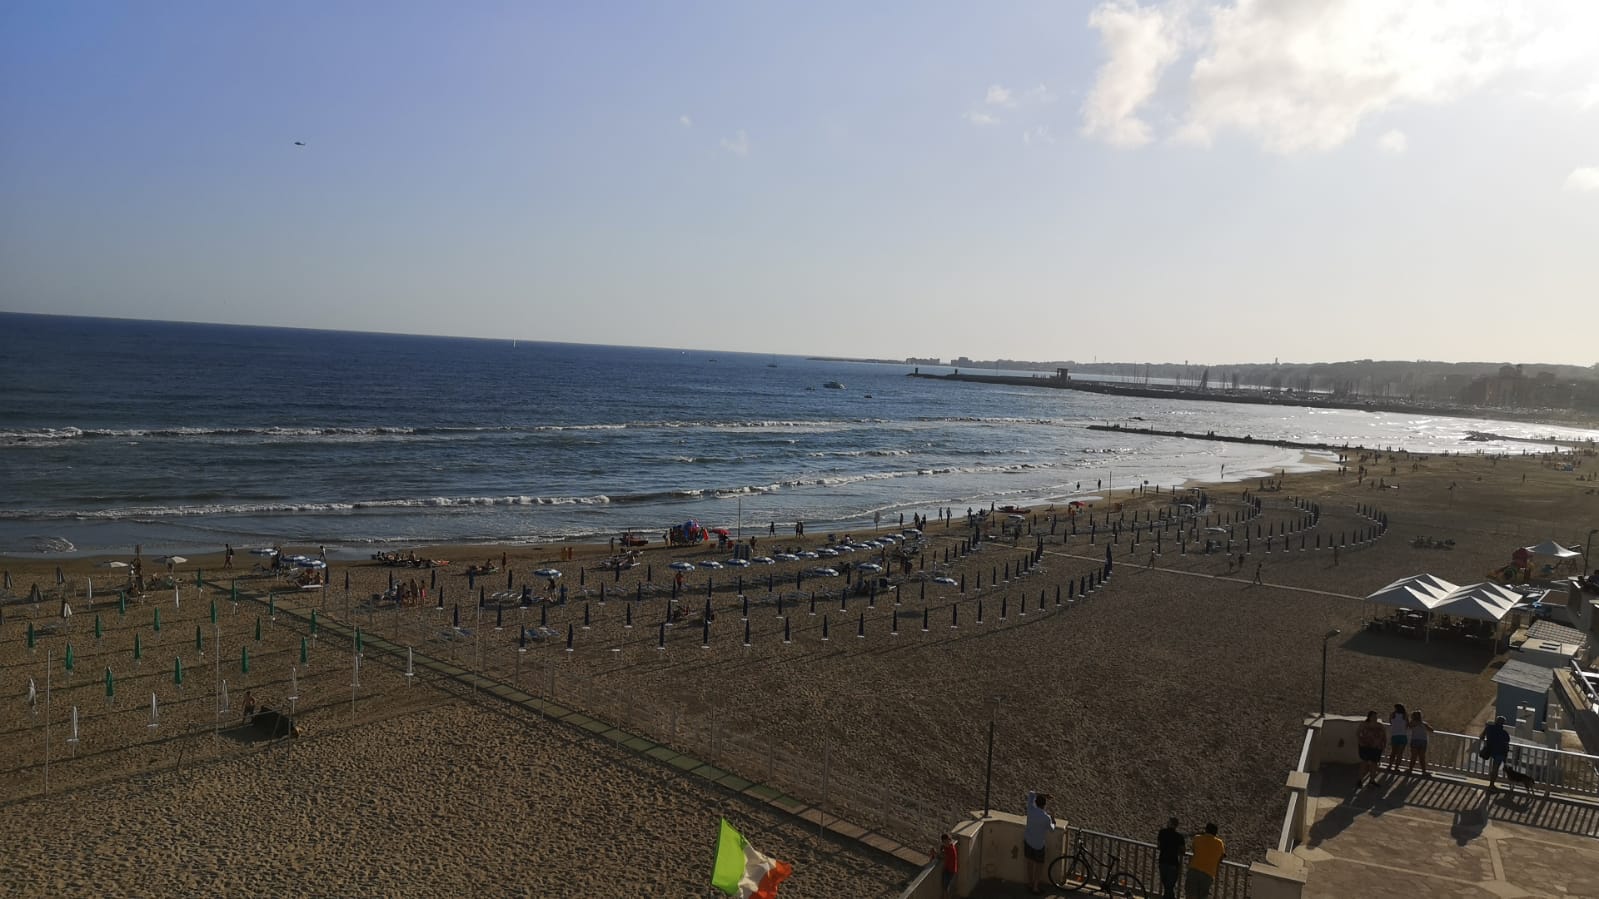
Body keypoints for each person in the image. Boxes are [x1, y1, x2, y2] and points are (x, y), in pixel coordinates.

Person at [1023, 791, 1053, 894]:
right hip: (1038, 845)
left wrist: (1045, 795)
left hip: (1028, 841)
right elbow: (1051, 829)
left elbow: (1031, 793)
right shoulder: (1046, 817)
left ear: (1035, 802)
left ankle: (1030, 883)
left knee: (1029, 863)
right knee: (1039, 866)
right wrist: (1053, 822)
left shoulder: (1031, 809)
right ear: (1044, 805)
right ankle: (1035, 887)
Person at [1185, 823, 1224, 899]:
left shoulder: (1197, 838)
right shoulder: (1219, 843)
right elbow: (1221, 857)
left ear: (1206, 830)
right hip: (1208, 873)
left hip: (1194, 870)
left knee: (1190, 895)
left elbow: (1194, 850)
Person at [1356, 710, 1386, 788]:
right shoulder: (1364, 724)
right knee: (1364, 763)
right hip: (1365, 746)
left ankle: (1372, 780)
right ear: (1369, 717)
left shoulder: (1379, 725)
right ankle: (1360, 780)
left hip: (1376, 747)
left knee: (1374, 764)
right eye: (1373, 716)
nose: (1375, 718)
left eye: (1376, 716)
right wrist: (1360, 742)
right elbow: (1358, 733)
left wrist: (1383, 745)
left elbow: (1384, 735)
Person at [1157, 817, 1185, 899]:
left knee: (1166, 886)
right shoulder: (1179, 836)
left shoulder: (1162, 832)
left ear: (1170, 823)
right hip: (1173, 862)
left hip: (1163, 861)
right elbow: (1183, 850)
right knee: (1169, 886)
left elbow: (1159, 846)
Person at [1481, 715, 1512, 788]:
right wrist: (1505, 758)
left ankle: (1491, 784)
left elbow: (1481, 736)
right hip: (1500, 752)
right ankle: (1491, 784)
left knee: (1494, 769)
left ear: (1495, 721)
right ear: (1503, 723)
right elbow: (1506, 746)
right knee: (1495, 768)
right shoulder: (1505, 733)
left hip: (1490, 750)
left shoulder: (1489, 728)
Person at [1406, 709, 1435, 776]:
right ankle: (1424, 771)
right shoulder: (1424, 723)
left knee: (1413, 757)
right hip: (1423, 741)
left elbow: (1408, 726)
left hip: (1415, 740)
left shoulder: (1412, 723)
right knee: (1422, 757)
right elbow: (1432, 730)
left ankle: (1410, 770)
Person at [931, 832, 958, 899]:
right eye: (945, 841)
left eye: (948, 840)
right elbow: (943, 851)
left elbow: (941, 856)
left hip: (950, 871)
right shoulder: (949, 846)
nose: (947, 842)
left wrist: (934, 853)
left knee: (945, 888)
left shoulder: (951, 850)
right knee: (945, 887)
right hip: (948, 869)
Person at [1387, 703, 1409, 773]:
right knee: (1400, 753)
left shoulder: (1392, 715)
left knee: (1393, 752)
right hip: (1403, 735)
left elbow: (1390, 722)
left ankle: (1390, 766)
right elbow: (1407, 724)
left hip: (1394, 735)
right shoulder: (1405, 715)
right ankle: (1396, 768)